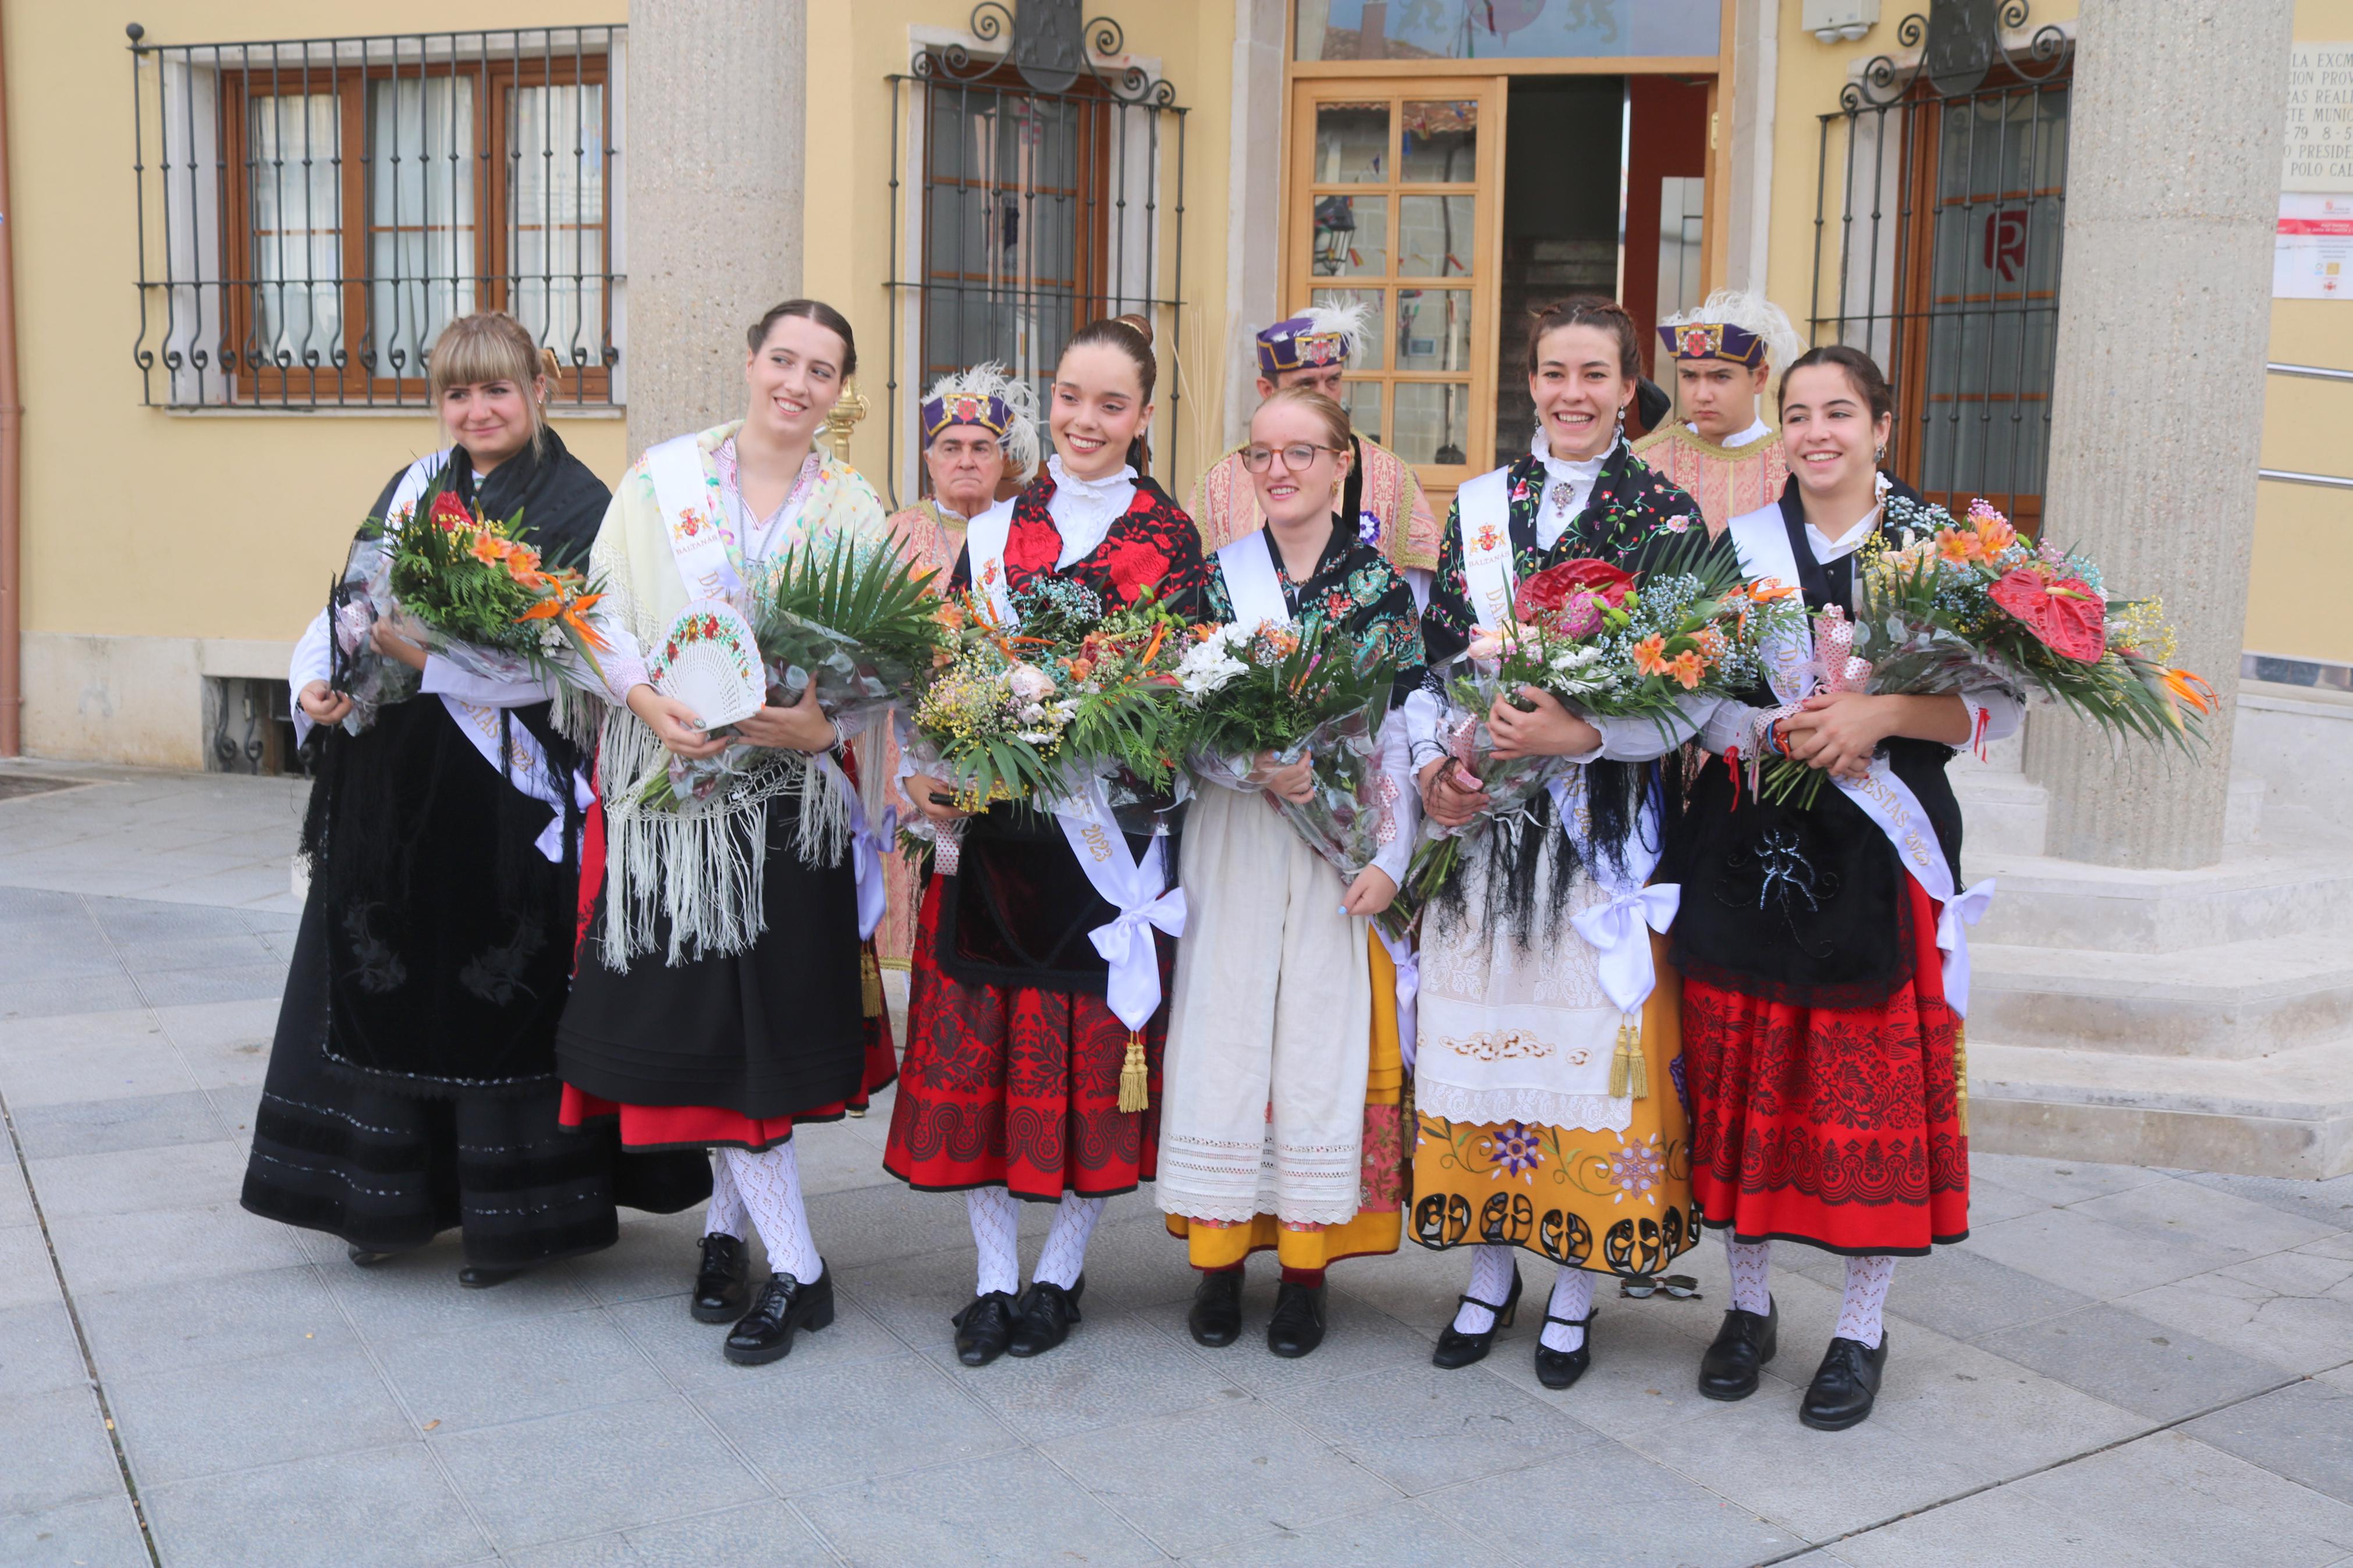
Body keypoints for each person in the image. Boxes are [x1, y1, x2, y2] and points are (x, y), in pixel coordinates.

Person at [244, 312, 709, 1285]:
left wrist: (421, 653)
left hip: (509, 791)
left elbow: (565, 666)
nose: (477, 409)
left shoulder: (583, 506)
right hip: (395, 789)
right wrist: (316, 679)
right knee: (386, 978)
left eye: (496, 389)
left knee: (497, 989)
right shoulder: (419, 486)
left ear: (540, 390)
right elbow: (354, 602)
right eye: (458, 392)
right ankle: (387, 1202)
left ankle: (515, 1216)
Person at [1668, 345, 2018, 1430]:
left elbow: (1995, 709)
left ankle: (1860, 1330)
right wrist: (1777, 724)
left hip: (1882, 860)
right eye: (1798, 414)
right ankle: (1748, 1307)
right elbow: (1696, 705)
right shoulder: (1742, 549)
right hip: (1751, 853)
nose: (1816, 431)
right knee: (1744, 1080)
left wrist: (1875, 717)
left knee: (1863, 1098)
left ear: (1879, 424)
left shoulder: (1939, 555)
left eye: (1838, 412)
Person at [555, 299, 900, 1367]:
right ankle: (753, 1245)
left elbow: (885, 661)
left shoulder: (853, 507)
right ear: (750, 363)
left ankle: (772, 1256)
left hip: (784, 809)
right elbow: (595, 613)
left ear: (841, 392)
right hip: (673, 797)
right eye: (783, 361)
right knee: (705, 1032)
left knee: (752, 1039)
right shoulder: (661, 480)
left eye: (822, 371)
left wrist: (821, 722)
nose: (797, 385)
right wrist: (644, 698)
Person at [1402, 296, 1718, 1391]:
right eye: (1551, 373)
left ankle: (1575, 1288)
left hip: (1598, 834)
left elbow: (1690, 700)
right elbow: (1438, 659)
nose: (1570, 394)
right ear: (1527, 384)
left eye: (1594, 374)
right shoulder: (1479, 508)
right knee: (1481, 1033)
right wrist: (1447, 757)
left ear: (1630, 387)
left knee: (1579, 1059)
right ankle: (1489, 1275)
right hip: (1490, 831)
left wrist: (1578, 730)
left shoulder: (1668, 519)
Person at [885, 314, 1212, 1366]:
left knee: (1083, 1077)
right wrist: (934, 761)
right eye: (1070, 397)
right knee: (987, 1071)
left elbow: (1184, 708)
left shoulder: (1170, 541)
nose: (1085, 419)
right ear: (1048, 401)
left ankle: (1060, 1273)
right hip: (995, 845)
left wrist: (1101, 721)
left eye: (1110, 404)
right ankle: (989, 1279)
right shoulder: (991, 532)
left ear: (1143, 417)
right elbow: (942, 683)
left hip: (1106, 847)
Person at [1158, 387, 1424, 1359]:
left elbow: (1401, 734)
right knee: (1225, 1030)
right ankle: (1220, 1261)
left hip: (1335, 846)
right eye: (1259, 454)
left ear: (1341, 460)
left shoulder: (1382, 590)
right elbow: (1176, 726)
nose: (1276, 471)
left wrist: (1392, 859)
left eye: (1298, 453)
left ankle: (1305, 1268)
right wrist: (1248, 764)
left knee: (1318, 1037)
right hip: (1234, 831)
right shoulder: (1212, 583)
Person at [874, 365, 1042, 972]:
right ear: (928, 458)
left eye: (981, 447)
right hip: (913, 767)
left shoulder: (1028, 536)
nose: (966, 460)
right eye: (951, 447)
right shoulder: (895, 536)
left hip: (1014, 763)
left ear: (1004, 457)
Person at [1190, 304, 1441, 585]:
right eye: (1306, 384)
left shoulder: (1392, 476)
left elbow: (1422, 599)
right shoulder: (1218, 483)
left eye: (1333, 380)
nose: (1324, 396)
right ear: (1267, 390)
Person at [1631, 290, 1803, 536]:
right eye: (1690, 376)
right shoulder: (1643, 461)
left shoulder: (1795, 460)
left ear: (1760, 378)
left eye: (1721, 377)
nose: (1702, 395)